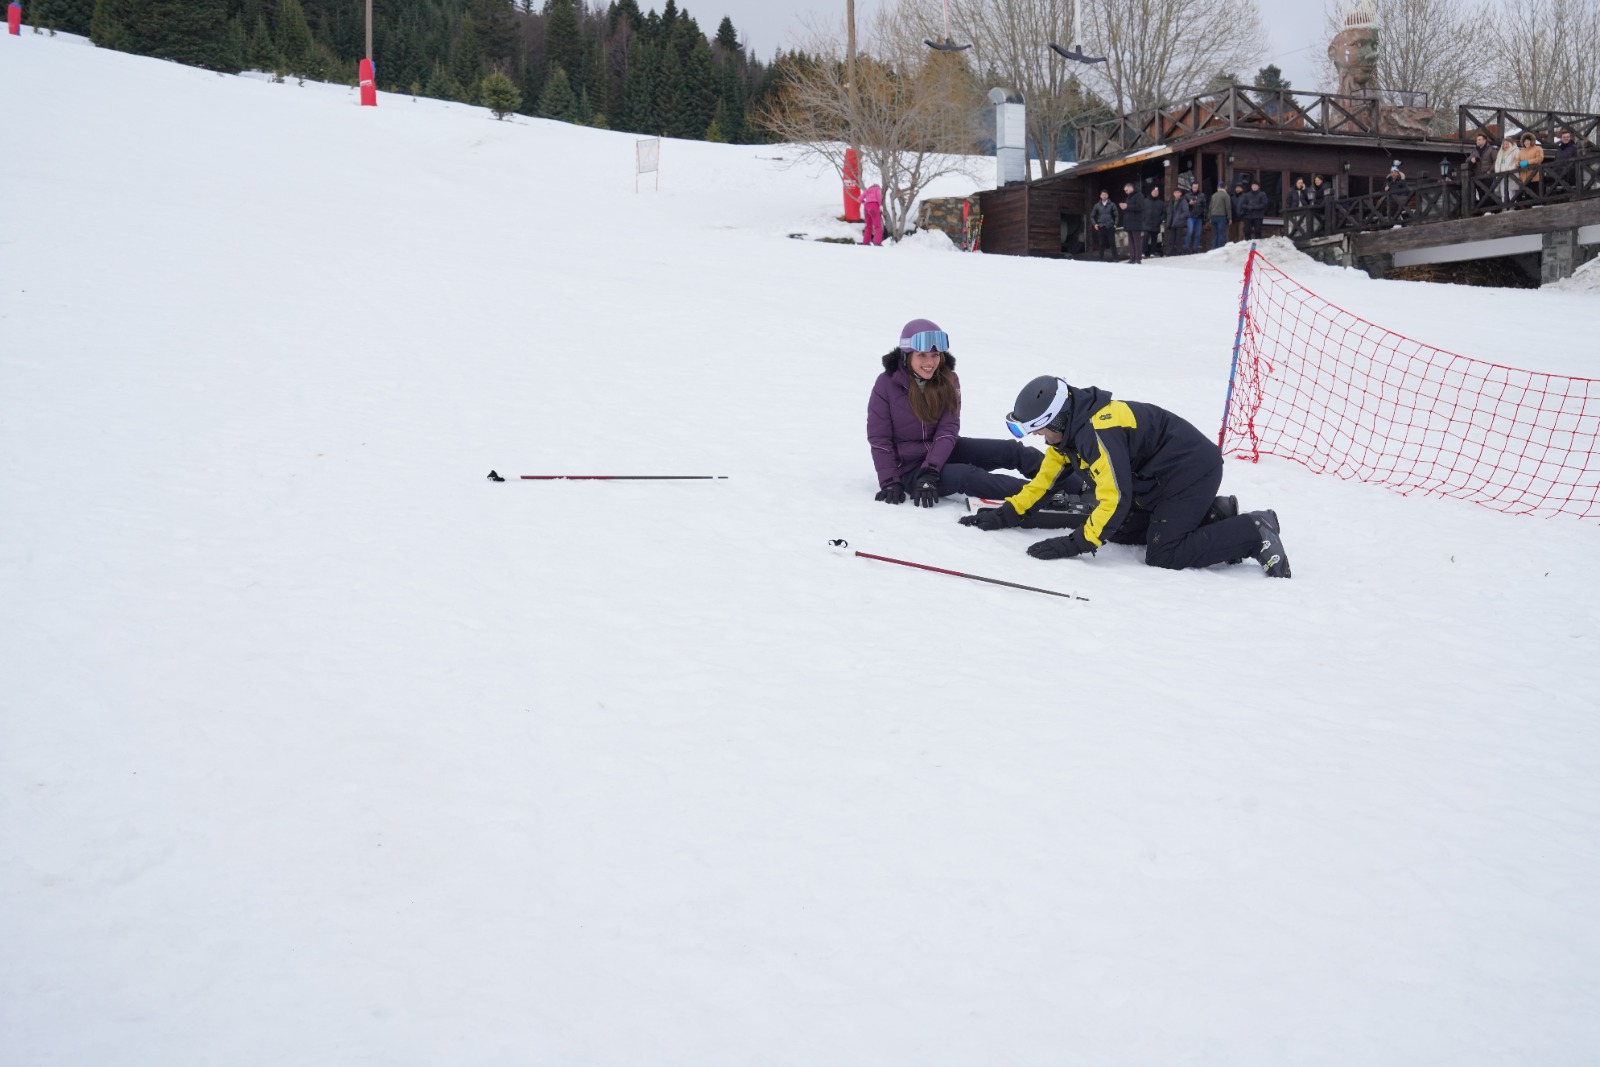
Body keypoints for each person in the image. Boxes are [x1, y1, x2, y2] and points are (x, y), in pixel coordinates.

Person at [959, 376, 1290, 577]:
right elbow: (1044, 482)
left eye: (1038, 428)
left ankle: (1252, 530)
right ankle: (1215, 515)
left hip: (1188, 472)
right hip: (1157, 479)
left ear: (1057, 419)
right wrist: (1007, 514)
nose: (1036, 436)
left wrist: (1074, 544)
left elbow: (1114, 498)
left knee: (1164, 554)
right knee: (1117, 530)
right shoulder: (1067, 434)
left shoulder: (1098, 431)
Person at [867, 319, 1053, 507]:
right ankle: (1047, 497)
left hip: (943, 451)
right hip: (909, 469)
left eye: (935, 355)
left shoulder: (948, 379)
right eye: (922, 355)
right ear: (907, 355)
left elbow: (948, 429)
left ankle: (1073, 482)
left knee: (1012, 451)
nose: (930, 362)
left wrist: (931, 470)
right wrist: (890, 481)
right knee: (967, 476)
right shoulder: (886, 384)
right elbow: (880, 439)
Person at [1117, 181, 1146, 264]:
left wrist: (1127, 206)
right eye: (1125, 191)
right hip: (1129, 222)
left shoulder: (1139, 195)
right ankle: (1132, 258)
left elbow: (1140, 207)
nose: (1126, 192)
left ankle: (1138, 258)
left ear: (1130, 187)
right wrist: (1124, 207)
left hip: (1136, 222)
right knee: (1131, 241)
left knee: (1137, 241)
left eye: (1126, 190)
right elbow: (1130, 208)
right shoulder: (1129, 197)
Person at [1089, 189, 1119, 261]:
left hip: (1110, 226)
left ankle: (1115, 258)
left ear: (1107, 196)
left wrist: (1115, 224)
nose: (1104, 196)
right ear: (1100, 196)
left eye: (1105, 195)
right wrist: (1095, 224)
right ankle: (1101, 258)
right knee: (1101, 243)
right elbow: (1092, 216)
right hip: (1101, 226)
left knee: (1112, 243)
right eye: (1102, 195)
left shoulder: (1112, 204)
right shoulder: (1097, 205)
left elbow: (1116, 215)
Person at [1495, 136, 1521, 205]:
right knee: (1503, 191)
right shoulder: (1500, 152)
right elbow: (1497, 163)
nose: (1505, 146)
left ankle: (1512, 206)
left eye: (1507, 144)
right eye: (1504, 144)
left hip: (1511, 174)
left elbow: (1518, 160)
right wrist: (1497, 171)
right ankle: (1504, 206)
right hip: (1501, 175)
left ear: (1510, 144)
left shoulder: (1515, 150)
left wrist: (1512, 168)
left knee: (1511, 190)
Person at [1208, 181, 1232, 249]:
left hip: (1213, 217)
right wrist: (1230, 218)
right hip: (1221, 217)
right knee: (1221, 234)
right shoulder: (1225, 195)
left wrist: (1209, 217)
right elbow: (1228, 207)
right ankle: (1220, 249)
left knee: (1215, 234)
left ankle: (1214, 248)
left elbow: (1210, 207)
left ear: (1218, 187)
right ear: (1225, 187)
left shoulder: (1214, 195)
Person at [1182, 185, 1206, 252]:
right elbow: (1183, 205)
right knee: (1190, 231)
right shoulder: (1187, 195)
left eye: (1196, 187)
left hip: (1199, 216)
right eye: (1194, 187)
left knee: (1198, 234)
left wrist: (1203, 213)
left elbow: (1204, 206)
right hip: (1190, 216)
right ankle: (1186, 248)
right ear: (1191, 187)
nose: (1195, 188)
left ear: (1198, 188)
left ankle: (1195, 248)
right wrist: (1189, 203)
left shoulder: (1202, 195)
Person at [1144, 185, 1166, 255]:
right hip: (1146, 223)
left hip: (1156, 224)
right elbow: (1141, 212)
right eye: (1154, 191)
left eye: (1157, 191)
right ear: (1151, 192)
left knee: (1154, 238)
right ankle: (1143, 252)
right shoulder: (1145, 201)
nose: (1155, 193)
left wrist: (1160, 220)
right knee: (1145, 237)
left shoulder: (1161, 203)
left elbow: (1164, 213)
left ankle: (1153, 252)